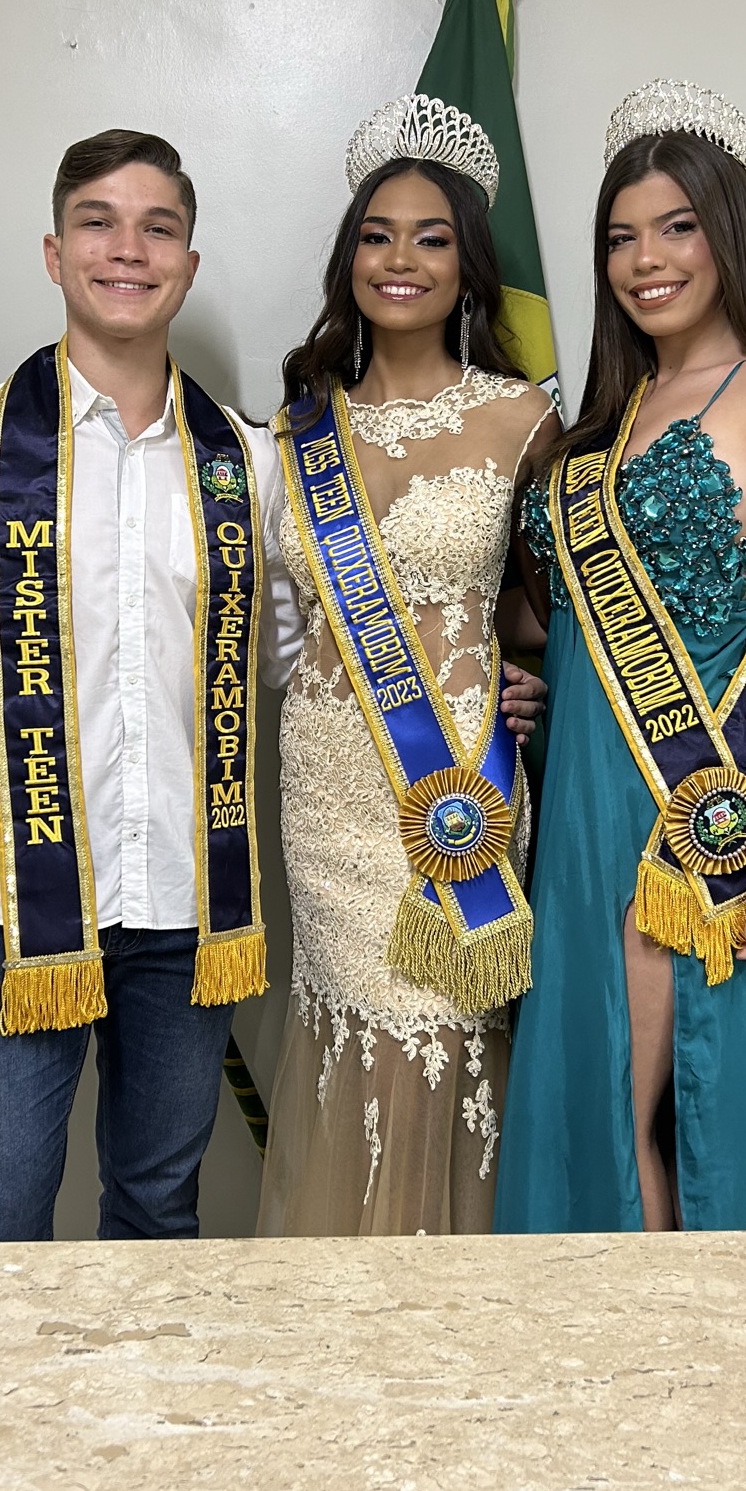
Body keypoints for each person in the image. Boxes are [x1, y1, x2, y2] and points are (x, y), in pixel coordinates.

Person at [0, 128, 302, 1241]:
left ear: (188, 264)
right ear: (55, 254)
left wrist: (468, 682)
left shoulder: (248, 461)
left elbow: (294, 663)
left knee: (157, 1218)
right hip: (8, 909)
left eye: (158, 228)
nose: (128, 249)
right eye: (98, 223)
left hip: (189, 909)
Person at [495, 81, 746, 1234]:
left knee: (639, 1108)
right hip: (573, 803)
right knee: (586, 1099)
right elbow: (557, 617)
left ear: (727, 235)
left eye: (676, 227)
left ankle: (671, 1342)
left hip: (684, 807)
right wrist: (497, 669)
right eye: (620, 237)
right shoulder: (601, 420)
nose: (644, 259)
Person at [257, 96, 556, 1237]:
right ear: (350, 258)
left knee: (444, 1033)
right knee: (347, 1031)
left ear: (467, 264)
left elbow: (557, 607)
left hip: (455, 785)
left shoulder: (523, 419)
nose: (401, 259)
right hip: (328, 785)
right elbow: (281, 616)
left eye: (432, 238)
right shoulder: (296, 429)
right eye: (378, 235)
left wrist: (534, 677)